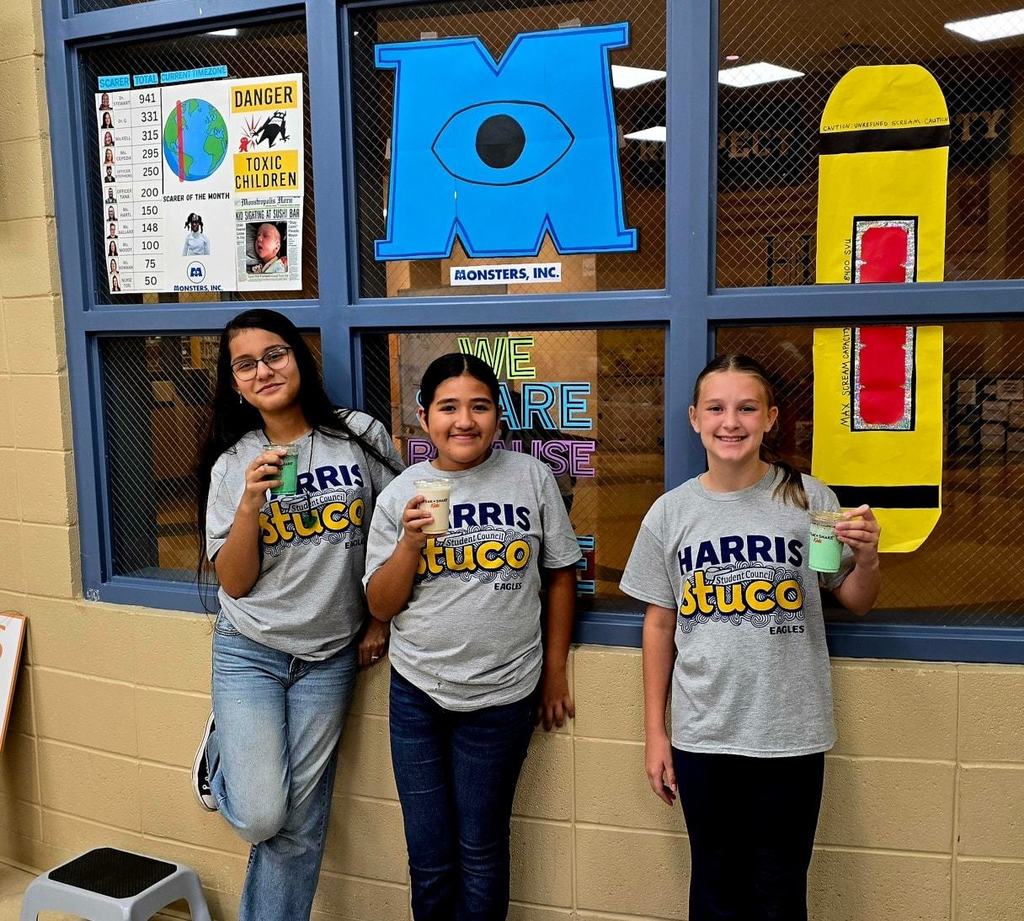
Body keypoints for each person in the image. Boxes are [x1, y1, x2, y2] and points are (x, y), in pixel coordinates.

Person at [620, 353, 881, 921]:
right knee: (714, 889)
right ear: (694, 418)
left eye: (746, 408)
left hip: (791, 731)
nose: (730, 422)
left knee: (780, 891)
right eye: (716, 408)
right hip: (703, 734)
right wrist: (655, 734)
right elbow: (659, 624)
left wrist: (867, 558)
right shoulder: (671, 514)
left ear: (770, 418)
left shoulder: (808, 499)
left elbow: (854, 600)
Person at [191, 308, 403, 921]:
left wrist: (379, 619)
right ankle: (223, 753)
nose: (264, 370)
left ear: (299, 359)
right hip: (250, 648)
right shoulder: (234, 463)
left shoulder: (359, 436)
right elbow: (234, 579)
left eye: (275, 354)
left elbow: (392, 535)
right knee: (263, 813)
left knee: (301, 826)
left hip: (329, 655)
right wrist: (252, 504)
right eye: (246, 364)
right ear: (234, 383)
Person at [364, 353, 580, 921]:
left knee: (481, 850)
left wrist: (555, 671)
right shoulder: (401, 493)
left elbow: (561, 575)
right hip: (418, 694)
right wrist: (410, 543)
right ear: (423, 416)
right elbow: (380, 604)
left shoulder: (530, 476)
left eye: (479, 406)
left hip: (504, 695)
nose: (465, 421)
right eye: (449, 407)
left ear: (498, 415)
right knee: (429, 856)